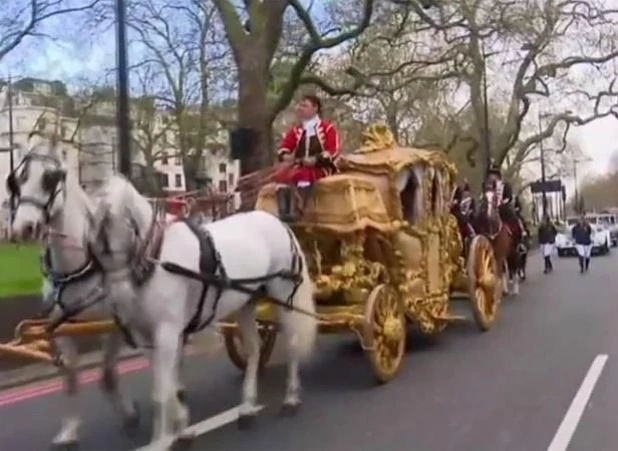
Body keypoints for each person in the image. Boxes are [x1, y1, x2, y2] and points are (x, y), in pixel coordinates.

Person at [273, 93, 340, 221]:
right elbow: (284, 148)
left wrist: (316, 160)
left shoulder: (328, 128)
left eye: (305, 105)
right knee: (281, 174)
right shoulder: (295, 130)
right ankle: (284, 212)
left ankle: (299, 209)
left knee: (304, 174)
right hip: (299, 166)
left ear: (315, 108)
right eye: (300, 105)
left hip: (321, 168)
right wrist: (287, 157)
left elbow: (333, 150)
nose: (300, 108)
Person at [485, 161, 523, 244]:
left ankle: (518, 241)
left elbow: (508, 197)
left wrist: (502, 203)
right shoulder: (486, 186)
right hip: (490, 207)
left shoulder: (505, 185)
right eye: (490, 175)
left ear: (497, 176)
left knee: (513, 218)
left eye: (493, 175)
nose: (491, 177)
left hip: (503, 208)